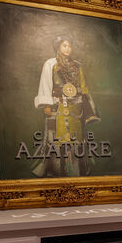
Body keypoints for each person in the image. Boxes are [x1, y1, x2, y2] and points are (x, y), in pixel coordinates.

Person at [33, 37, 99, 177]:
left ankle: (76, 172)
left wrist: (87, 109)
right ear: (58, 47)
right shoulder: (50, 64)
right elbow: (45, 84)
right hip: (57, 107)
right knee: (56, 138)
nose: (67, 48)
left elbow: (83, 87)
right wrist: (46, 104)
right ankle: (55, 171)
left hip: (75, 109)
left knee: (76, 139)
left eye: (70, 45)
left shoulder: (77, 65)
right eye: (64, 45)